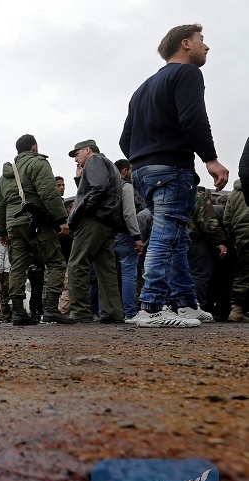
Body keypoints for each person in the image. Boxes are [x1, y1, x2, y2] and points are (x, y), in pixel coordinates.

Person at [120, 24, 227, 327]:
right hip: (171, 169)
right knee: (166, 236)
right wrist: (211, 159)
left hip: (143, 171)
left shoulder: (142, 88)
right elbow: (193, 118)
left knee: (177, 237)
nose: (207, 47)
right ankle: (151, 308)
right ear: (185, 44)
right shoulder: (188, 74)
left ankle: (186, 303)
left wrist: (143, 160)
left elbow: (124, 139)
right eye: (202, 41)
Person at [0, 134, 72, 325]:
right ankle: (52, 308)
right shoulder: (37, 163)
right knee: (55, 262)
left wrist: (2, 231)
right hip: (36, 223)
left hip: (14, 226)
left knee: (18, 267)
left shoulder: (5, 175)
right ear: (34, 148)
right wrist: (61, 219)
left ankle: (18, 312)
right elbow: (48, 192)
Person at [65, 140, 125, 323]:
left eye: (77, 154)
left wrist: (85, 211)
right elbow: (98, 188)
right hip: (108, 221)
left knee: (76, 263)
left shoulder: (94, 161)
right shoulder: (109, 165)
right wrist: (79, 179)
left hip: (94, 220)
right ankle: (113, 312)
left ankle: (80, 311)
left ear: (88, 150)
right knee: (105, 268)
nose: (76, 159)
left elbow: (98, 188)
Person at [112, 159, 144, 322]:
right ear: (124, 171)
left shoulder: (108, 186)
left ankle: (105, 311)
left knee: (108, 275)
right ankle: (130, 312)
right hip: (125, 234)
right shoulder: (126, 186)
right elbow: (129, 214)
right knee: (129, 274)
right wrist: (137, 237)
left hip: (108, 235)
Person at [187, 187, 227, 311]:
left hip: (173, 243)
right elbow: (209, 222)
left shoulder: (169, 193)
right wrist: (220, 241)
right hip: (196, 242)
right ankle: (196, 308)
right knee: (199, 276)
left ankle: (176, 307)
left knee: (177, 276)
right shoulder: (198, 196)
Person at [223, 137, 249, 322]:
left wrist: (232, 237)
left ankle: (237, 310)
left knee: (243, 271)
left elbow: (227, 219)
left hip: (241, 236)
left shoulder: (233, 194)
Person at [0, 239, 12, 322]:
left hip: (6, 271)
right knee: (12, 294)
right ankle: (11, 315)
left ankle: (6, 316)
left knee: (5, 295)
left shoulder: (2, 242)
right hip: (13, 271)